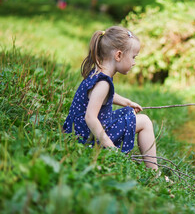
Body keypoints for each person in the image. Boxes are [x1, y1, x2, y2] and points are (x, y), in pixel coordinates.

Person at [63, 26, 158, 170]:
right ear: (118, 55)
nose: (134, 63)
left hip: (78, 132)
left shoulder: (98, 73)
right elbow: (90, 117)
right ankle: (154, 173)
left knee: (129, 112)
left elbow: (100, 97)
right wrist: (109, 146)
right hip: (86, 139)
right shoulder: (103, 83)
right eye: (133, 57)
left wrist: (126, 102)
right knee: (144, 122)